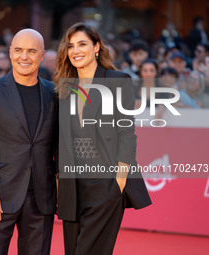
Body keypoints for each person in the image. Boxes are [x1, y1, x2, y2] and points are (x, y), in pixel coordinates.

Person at [54, 22, 151, 255]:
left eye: (82, 44)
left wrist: (118, 180)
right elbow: (59, 141)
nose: (75, 51)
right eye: (70, 46)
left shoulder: (117, 81)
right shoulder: (63, 89)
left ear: (96, 47)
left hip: (106, 183)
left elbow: (126, 132)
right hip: (72, 186)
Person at [0, 29, 58, 255]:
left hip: (42, 197)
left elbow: (58, 145)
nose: (24, 57)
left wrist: (59, 188)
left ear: (41, 55)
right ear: (10, 53)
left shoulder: (54, 93)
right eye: (18, 50)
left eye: (31, 51)